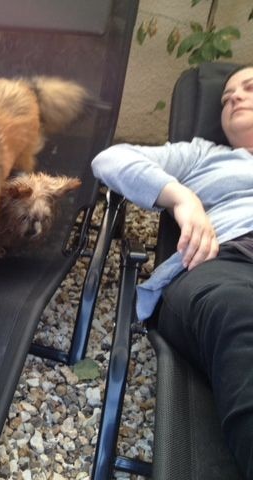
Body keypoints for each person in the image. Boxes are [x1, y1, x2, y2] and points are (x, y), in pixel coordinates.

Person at [91, 64, 253, 478]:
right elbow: (111, 158)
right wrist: (183, 199)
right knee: (241, 315)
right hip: (227, 264)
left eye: (248, 88)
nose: (233, 96)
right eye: (226, 95)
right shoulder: (205, 155)